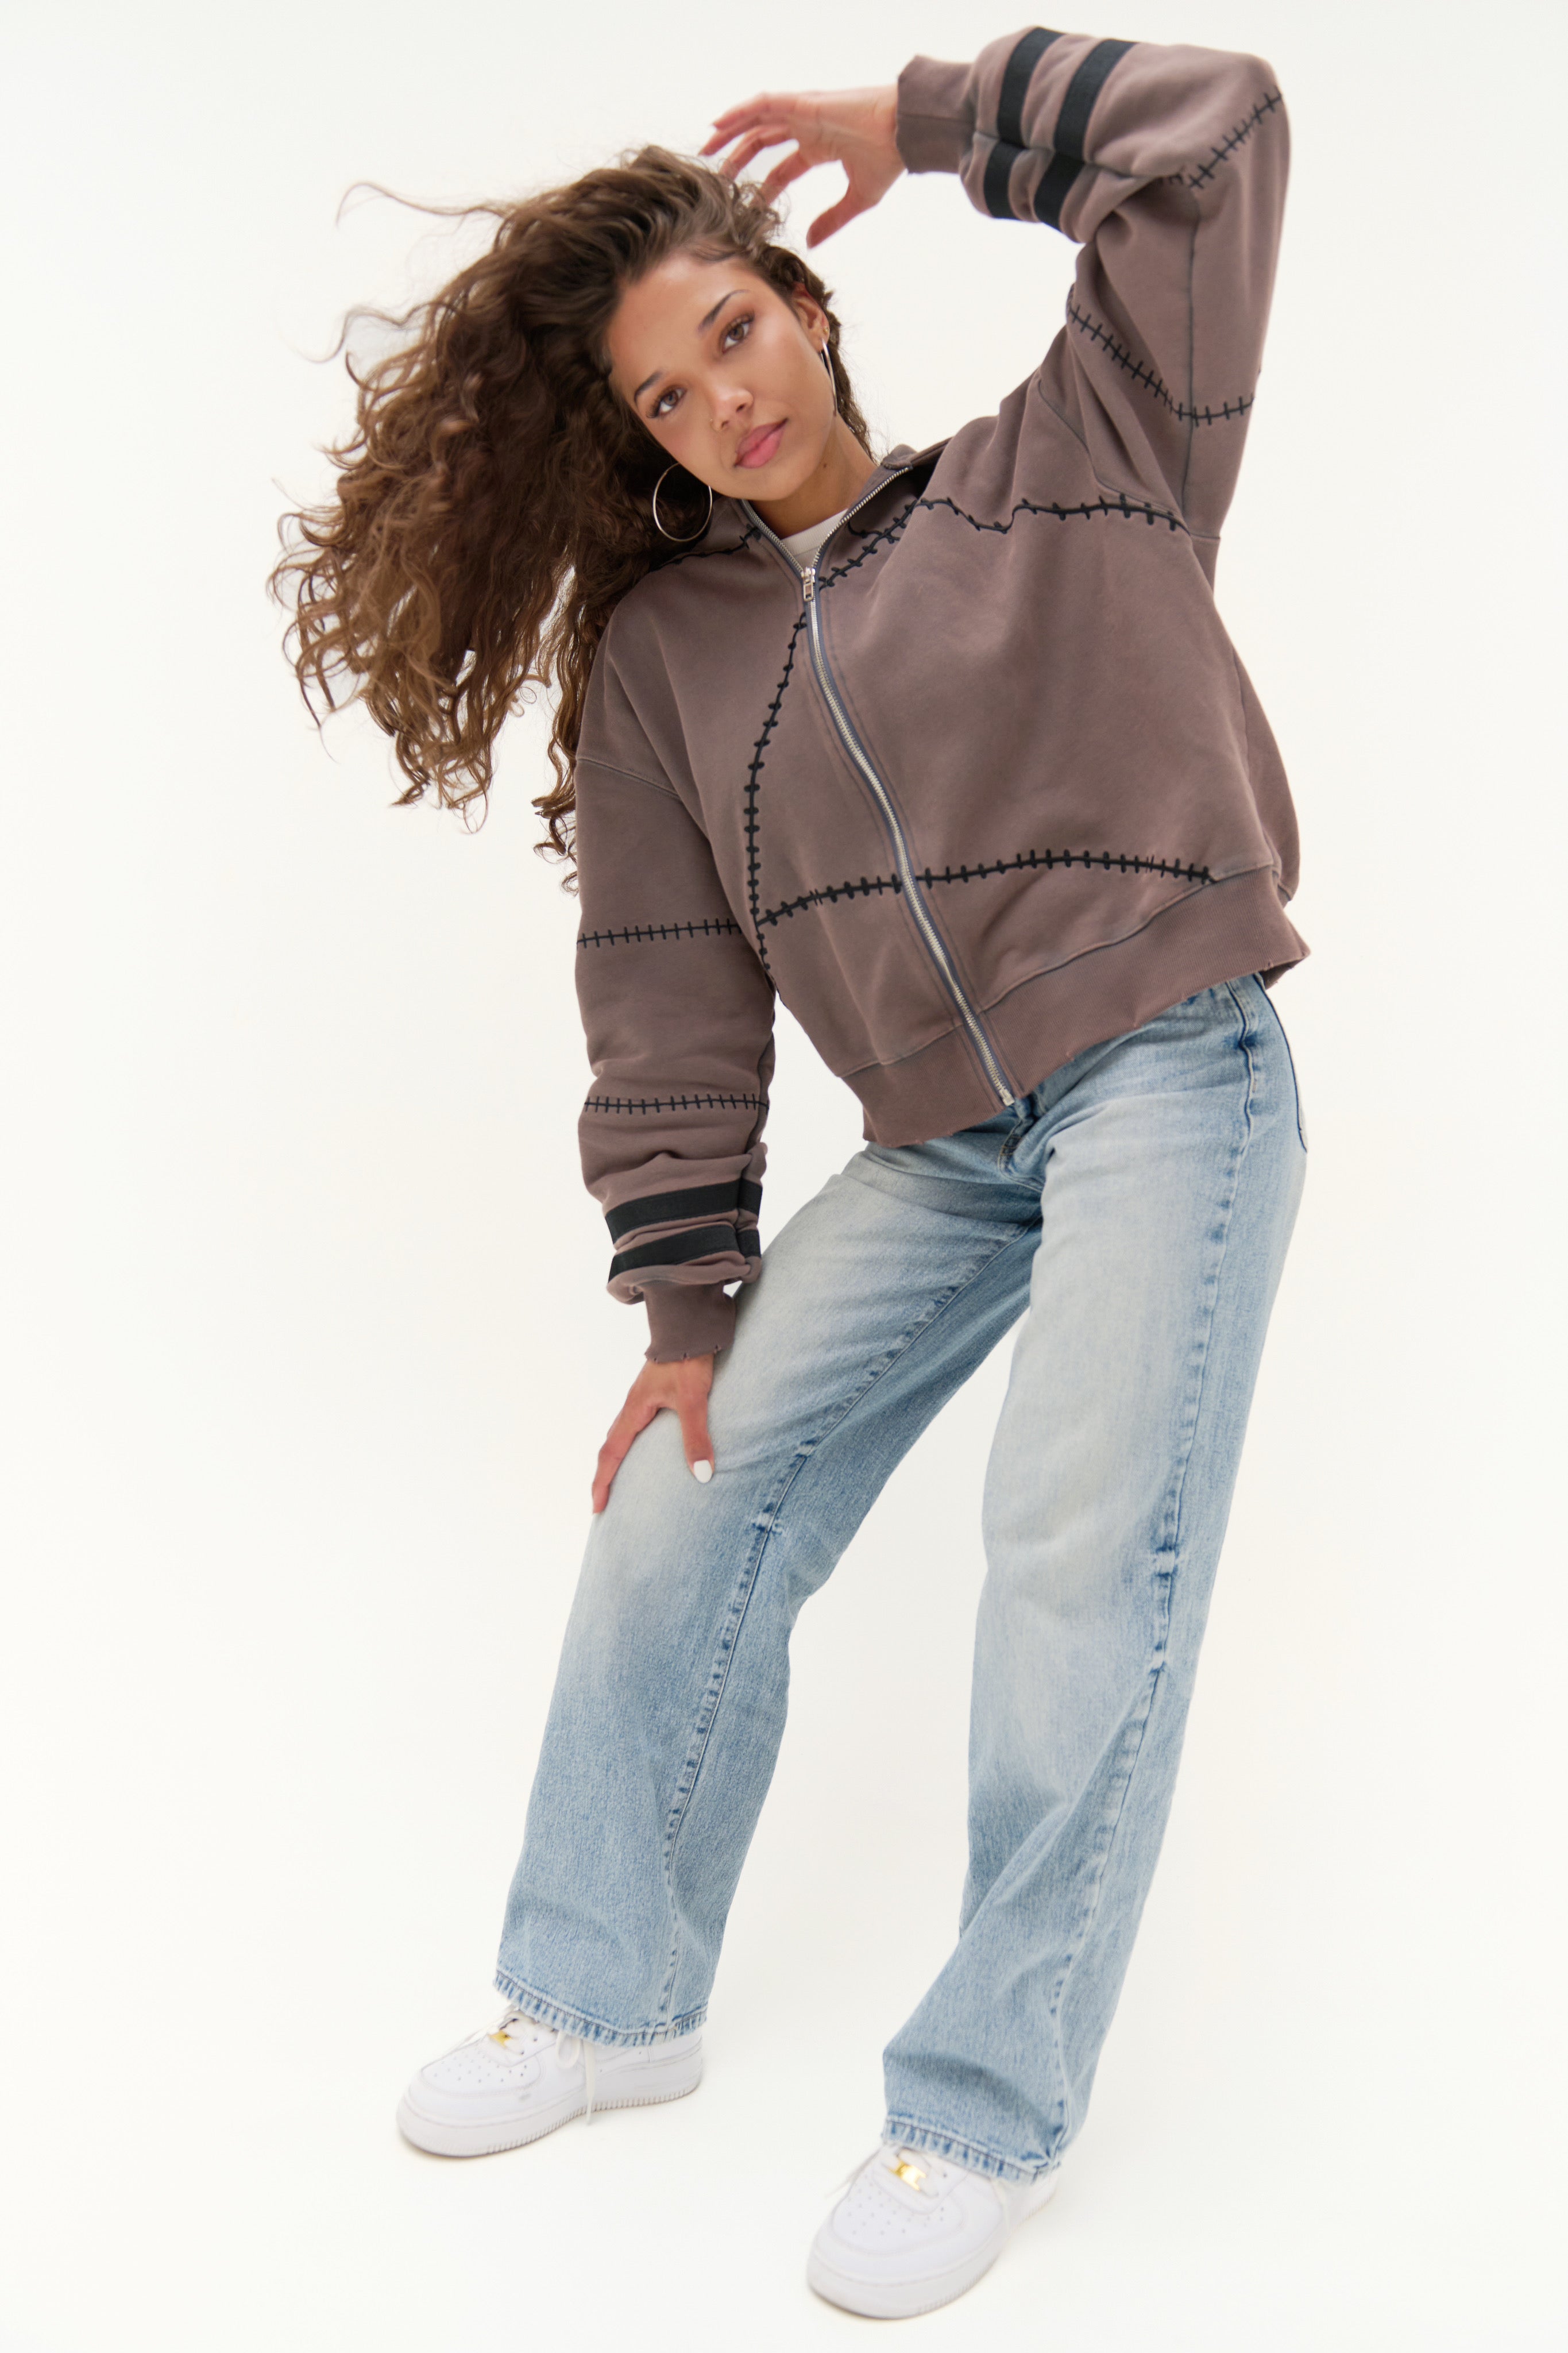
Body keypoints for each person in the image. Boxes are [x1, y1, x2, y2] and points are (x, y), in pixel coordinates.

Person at [273, 24, 1308, 2321]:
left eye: (734, 332)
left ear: (810, 309)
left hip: (1167, 1065)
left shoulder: (1085, 449)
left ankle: (981, 2110)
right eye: (665, 393)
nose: (720, 402)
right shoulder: (670, 653)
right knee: (680, 1493)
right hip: (939, 1148)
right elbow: (662, 984)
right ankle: (603, 1996)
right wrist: (687, 1314)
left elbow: (1217, 130)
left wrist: (926, 124)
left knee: (1071, 1549)